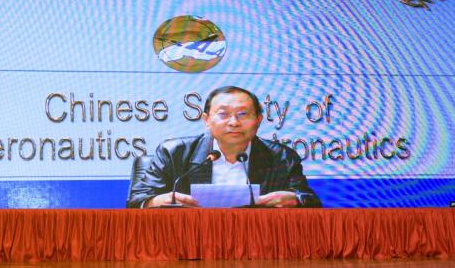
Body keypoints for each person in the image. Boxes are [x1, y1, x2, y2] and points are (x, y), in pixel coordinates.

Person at [126, 86, 321, 208]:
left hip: (257, 245)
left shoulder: (282, 157)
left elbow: (310, 201)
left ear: (259, 120)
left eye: (243, 114)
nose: (234, 122)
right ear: (206, 120)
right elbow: (136, 201)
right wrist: (157, 201)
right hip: (189, 243)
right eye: (223, 114)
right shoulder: (173, 153)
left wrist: (295, 199)